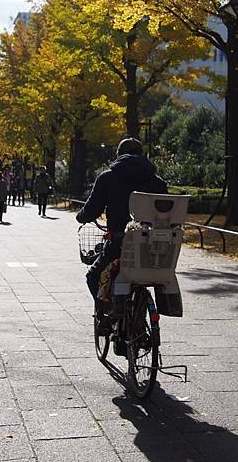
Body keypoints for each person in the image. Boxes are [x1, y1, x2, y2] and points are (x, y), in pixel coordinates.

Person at [76, 138, 167, 331]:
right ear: (142, 155)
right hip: (153, 248)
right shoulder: (157, 182)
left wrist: (81, 217)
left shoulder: (107, 178)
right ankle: (138, 324)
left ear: (118, 155)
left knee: (93, 276)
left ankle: (109, 315)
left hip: (119, 245)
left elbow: (91, 211)